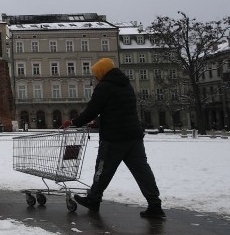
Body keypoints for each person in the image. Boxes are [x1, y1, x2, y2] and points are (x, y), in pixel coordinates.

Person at [63, 58, 165, 218]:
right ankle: (155, 205)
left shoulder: (104, 87)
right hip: (134, 137)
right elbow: (117, 109)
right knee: (142, 170)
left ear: (102, 72)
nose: (96, 78)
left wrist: (75, 122)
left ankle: (93, 200)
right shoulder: (126, 85)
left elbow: (92, 109)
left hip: (114, 138)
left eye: (97, 74)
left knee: (102, 170)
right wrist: (97, 122)